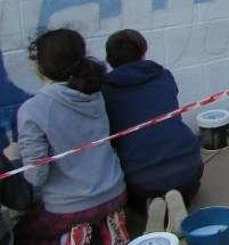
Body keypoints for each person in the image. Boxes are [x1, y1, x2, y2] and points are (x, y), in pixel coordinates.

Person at [15, 29, 129, 244]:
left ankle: (74, 235)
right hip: (115, 193)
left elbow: (36, 176)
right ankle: (102, 228)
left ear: (42, 66)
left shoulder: (32, 109)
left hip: (69, 207)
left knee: (23, 233)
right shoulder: (95, 93)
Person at [102, 29, 203, 219]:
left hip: (142, 181)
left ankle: (154, 207)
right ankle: (177, 203)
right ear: (143, 52)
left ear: (109, 59)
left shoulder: (105, 91)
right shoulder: (163, 76)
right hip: (189, 170)